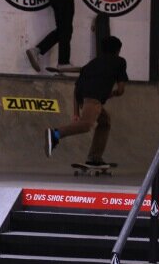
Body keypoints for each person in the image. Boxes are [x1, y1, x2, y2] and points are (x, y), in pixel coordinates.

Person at [44, 36, 128, 167]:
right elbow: (121, 89)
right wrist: (112, 94)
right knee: (86, 125)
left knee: (105, 121)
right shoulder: (119, 61)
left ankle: (95, 157)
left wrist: (76, 113)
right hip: (93, 98)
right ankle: (55, 134)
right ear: (118, 50)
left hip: (82, 96)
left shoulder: (92, 63)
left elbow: (77, 88)